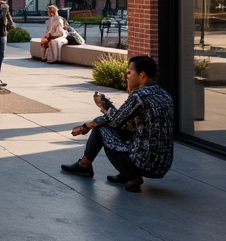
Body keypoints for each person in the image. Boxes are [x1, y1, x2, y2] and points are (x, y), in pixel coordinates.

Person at [61, 55, 174, 193]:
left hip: (143, 163)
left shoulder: (140, 96)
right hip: (162, 165)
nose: (127, 76)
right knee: (111, 125)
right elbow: (123, 121)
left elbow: (115, 121)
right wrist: (91, 122)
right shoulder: (165, 95)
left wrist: (101, 109)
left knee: (101, 128)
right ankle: (125, 174)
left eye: (129, 72)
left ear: (142, 75)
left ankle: (87, 166)